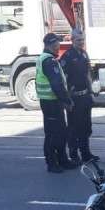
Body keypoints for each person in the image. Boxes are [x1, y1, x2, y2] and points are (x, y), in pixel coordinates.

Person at [37, 33, 76, 173]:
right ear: (54, 45)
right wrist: (67, 100)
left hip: (53, 102)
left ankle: (62, 159)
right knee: (52, 134)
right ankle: (52, 162)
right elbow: (57, 84)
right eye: (58, 44)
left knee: (60, 132)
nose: (59, 46)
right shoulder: (49, 61)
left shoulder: (48, 59)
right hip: (51, 103)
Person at [59, 28, 98, 162]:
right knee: (74, 127)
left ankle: (86, 153)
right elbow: (63, 79)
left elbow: (87, 75)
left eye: (82, 40)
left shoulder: (84, 55)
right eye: (78, 40)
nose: (81, 42)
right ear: (72, 40)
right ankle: (74, 154)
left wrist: (91, 92)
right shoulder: (67, 57)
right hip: (74, 97)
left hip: (85, 96)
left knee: (86, 126)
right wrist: (66, 98)